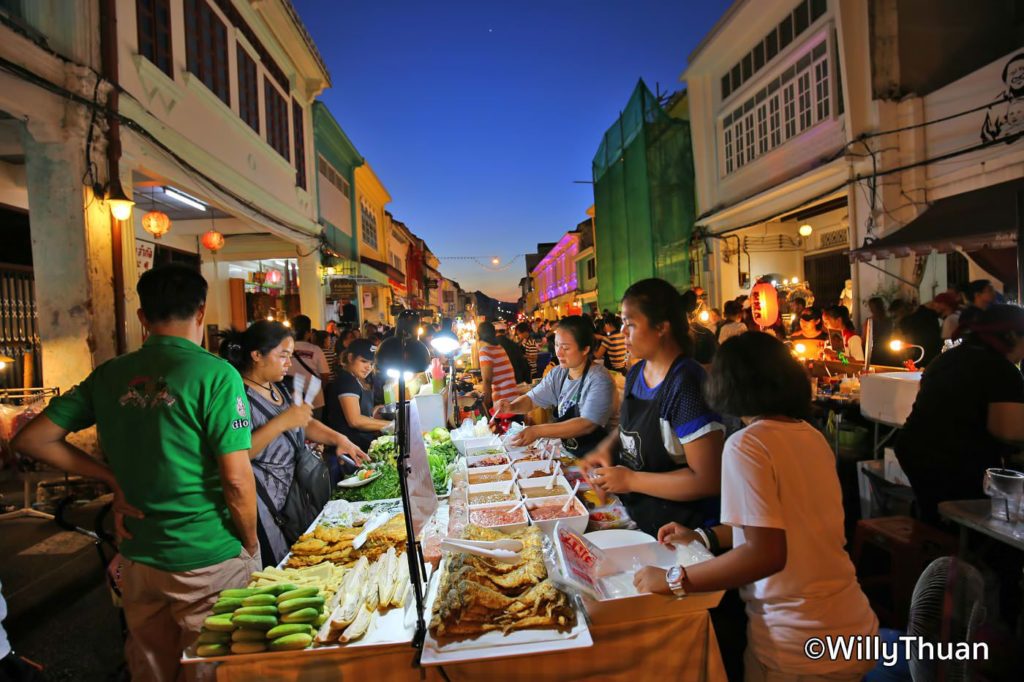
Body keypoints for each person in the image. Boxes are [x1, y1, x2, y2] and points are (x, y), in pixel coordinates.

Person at [11, 265, 259, 682]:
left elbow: (32, 439)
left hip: (140, 558)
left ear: (143, 319)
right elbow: (236, 480)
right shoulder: (217, 375)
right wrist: (250, 543)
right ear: (201, 313)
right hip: (207, 554)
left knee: (150, 666)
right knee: (217, 669)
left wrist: (111, 479)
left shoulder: (109, 374)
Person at [634, 332, 878, 681]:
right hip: (850, 624)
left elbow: (765, 553)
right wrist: (703, 538)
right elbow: (779, 524)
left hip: (796, 641)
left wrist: (674, 579)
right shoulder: (810, 435)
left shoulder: (746, 445)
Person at [581, 278, 725, 536]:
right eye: (622, 322)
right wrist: (606, 448)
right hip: (640, 520)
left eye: (631, 324)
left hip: (682, 533)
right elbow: (629, 429)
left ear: (662, 327)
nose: (623, 332)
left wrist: (630, 480)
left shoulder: (686, 385)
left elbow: (708, 479)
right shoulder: (637, 372)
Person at [220, 321, 366, 566]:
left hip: (295, 496)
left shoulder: (278, 388)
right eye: (283, 356)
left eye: (290, 355)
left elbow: (303, 422)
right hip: (263, 507)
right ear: (257, 355)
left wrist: (339, 439)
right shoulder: (239, 397)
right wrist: (281, 422)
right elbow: (239, 454)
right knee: (279, 567)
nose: (289, 362)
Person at [896, 304, 1024, 524]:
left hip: (915, 449)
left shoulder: (947, 358)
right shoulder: (999, 369)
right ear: (1011, 335)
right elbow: (1007, 431)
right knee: (964, 523)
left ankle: (936, 545)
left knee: (935, 515)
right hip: (953, 460)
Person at [493, 316, 615, 457]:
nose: (559, 352)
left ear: (585, 349)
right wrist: (511, 407)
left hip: (599, 460)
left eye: (566, 347)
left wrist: (537, 431)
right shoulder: (558, 373)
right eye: (557, 345)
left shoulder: (599, 379)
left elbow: (586, 424)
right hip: (571, 455)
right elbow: (531, 400)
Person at [324, 339, 391, 451]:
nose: (368, 367)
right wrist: (390, 425)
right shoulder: (347, 381)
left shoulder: (358, 380)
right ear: (350, 358)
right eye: (364, 361)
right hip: (349, 449)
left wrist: (373, 411)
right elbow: (355, 420)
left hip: (360, 445)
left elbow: (360, 412)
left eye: (371, 363)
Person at [288, 315, 329, 415]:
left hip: (290, 397)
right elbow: (325, 375)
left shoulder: (286, 349)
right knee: (316, 428)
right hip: (314, 398)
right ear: (308, 333)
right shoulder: (316, 350)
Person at [478, 322, 519, 411]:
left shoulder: (485, 351)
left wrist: (485, 406)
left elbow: (487, 380)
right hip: (513, 397)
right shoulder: (499, 347)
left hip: (503, 402)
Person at [895, 301, 942, 366]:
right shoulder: (928, 313)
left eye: (896, 316)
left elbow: (907, 338)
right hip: (934, 349)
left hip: (921, 352)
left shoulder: (907, 322)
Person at [683, 289, 718, 364]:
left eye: (701, 296)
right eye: (698, 296)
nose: (700, 298)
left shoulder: (704, 334)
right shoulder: (705, 334)